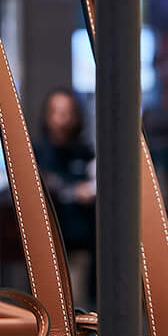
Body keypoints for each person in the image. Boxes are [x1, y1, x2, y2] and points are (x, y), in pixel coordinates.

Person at [33, 88, 96, 308]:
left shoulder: (85, 152)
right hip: (44, 243)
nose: (61, 119)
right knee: (45, 305)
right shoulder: (36, 152)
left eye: (66, 112)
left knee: (75, 305)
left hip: (78, 242)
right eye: (56, 112)